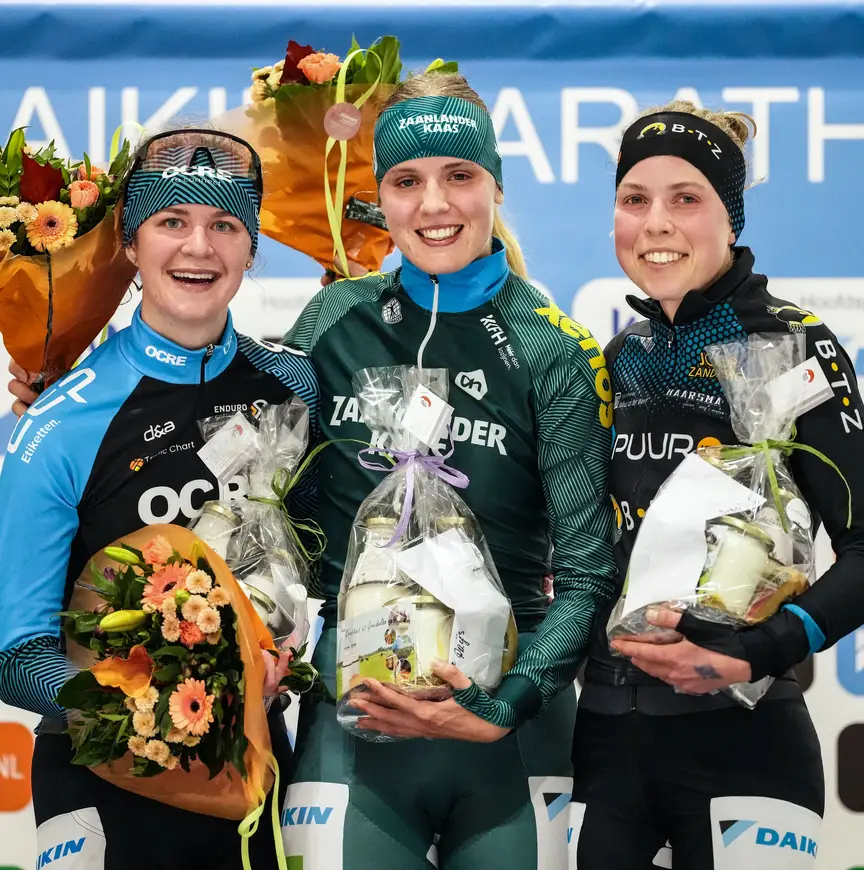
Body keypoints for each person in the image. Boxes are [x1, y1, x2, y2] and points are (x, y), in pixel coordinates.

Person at [279, 72, 615, 870]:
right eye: (406, 181)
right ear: (380, 199)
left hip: (510, 730)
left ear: (495, 184)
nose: (434, 204)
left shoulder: (554, 347)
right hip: (354, 712)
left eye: (459, 175)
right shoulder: (332, 320)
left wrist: (508, 704)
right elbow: (263, 488)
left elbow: (589, 573)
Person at [0, 128, 318, 870]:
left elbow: (315, 570)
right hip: (102, 777)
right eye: (172, 221)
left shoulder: (293, 386)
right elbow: (16, 654)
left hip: (253, 765)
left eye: (225, 226)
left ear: (251, 249)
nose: (198, 248)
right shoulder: (60, 420)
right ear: (130, 245)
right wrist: (140, 702)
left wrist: (287, 657)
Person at [572, 100, 864, 869]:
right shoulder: (621, 357)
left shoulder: (794, 344)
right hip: (605, 740)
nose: (656, 223)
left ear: (729, 218)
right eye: (634, 199)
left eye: (685, 198)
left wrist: (758, 652)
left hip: (744, 743)